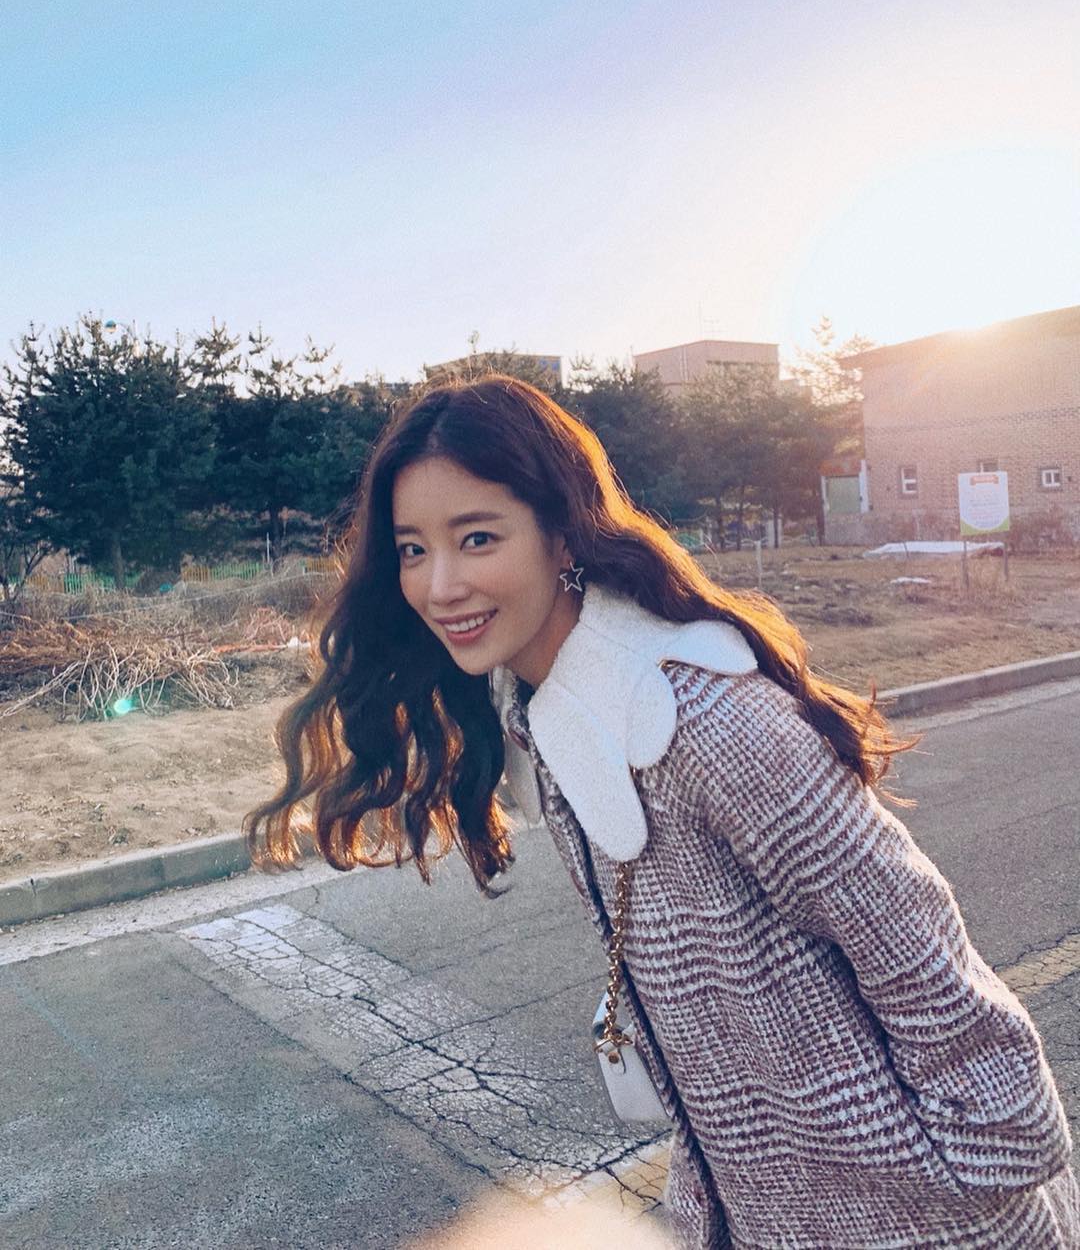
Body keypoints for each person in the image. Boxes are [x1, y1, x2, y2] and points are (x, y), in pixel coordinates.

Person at [245, 374, 1078, 1249]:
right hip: (763, 1214)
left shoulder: (707, 718)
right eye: (413, 549)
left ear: (561, 532)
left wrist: (961, 1182)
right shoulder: (543, 709)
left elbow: (914, 946)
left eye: (477, 538)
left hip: (922, 1222)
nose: (440, 584)